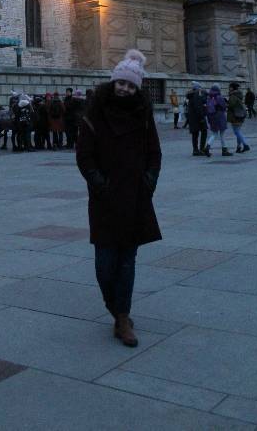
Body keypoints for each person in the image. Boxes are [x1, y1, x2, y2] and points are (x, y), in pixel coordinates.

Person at [76, 49, 162, 348]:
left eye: (130, 85)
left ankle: (122, 318)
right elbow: (84, 155)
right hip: (104, 199)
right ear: (113, 82)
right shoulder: (95, 112)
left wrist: (148, 182)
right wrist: (100, 184)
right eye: (121, 83)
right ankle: (116, 311)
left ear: (137, 87)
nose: (124, 88)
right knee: (104, 265)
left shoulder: (144, 114)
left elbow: (155, 154)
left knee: (127, 262)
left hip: (135, 197)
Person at [205, 85, 231, 156]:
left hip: (212, 117)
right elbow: (224, 107)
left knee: (214, 133)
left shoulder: (209, 97)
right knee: (222, 134)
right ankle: (224, 150)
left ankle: (207, 146)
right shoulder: (219, 97)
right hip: (220, 117)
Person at [227, 83, 251, 153]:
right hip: (241, 114)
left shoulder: (233, 95)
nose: (229, 88)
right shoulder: (238, 94)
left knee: (237, 131)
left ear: (232, 88)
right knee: (238, 131)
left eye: (230, 87)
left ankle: (245, 145)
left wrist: (226, 103)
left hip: (235, 115)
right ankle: (238, 147)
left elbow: (231, 105)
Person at [186, 82, 207, 156]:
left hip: (192, 117)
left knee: (195, 133)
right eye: (200, 87)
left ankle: (195, 150)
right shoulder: (197, 94)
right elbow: (198, 106)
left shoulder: (190, 95)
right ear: (198, 88)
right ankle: (202, 149)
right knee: (204, 131)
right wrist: (202, 117)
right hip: (198, 117)